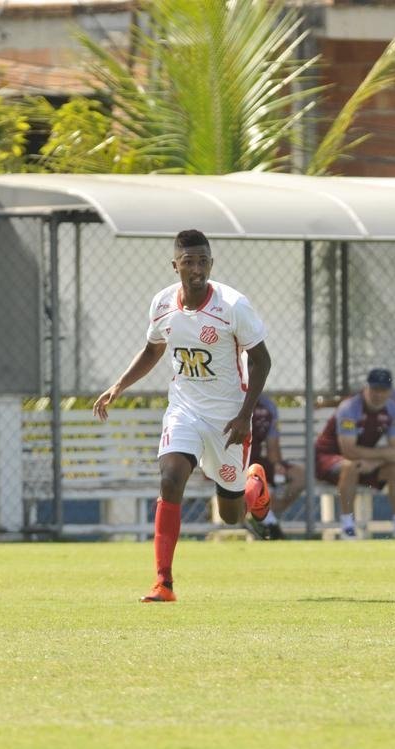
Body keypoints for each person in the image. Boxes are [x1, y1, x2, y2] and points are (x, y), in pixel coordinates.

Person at [93, 228, 272, 603]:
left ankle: (255, 484)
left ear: (211, 263)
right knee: (171, 477)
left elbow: (261, 360)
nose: (196, 268)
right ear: (175, 265)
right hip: (184, 411)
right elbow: (152, 349)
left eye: (202, 261)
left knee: (232, 516)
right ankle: (164, 582)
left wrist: (244, 416)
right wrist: (119, 386)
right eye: (188, 261)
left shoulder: (233, 306)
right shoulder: (162, 304)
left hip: (228, 421)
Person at [315, 368, 395, 540]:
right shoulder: (350, 408)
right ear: (367, 388)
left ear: (390, 391)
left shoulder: (392, 409)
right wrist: (378, 457)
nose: (378, 395)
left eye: (383, 390)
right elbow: (348, 450)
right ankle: (347, 526)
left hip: (364, 462)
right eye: (374, 389)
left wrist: (373, 463)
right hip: (327, 459)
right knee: (351, 466)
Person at [246, 393, 305, 540]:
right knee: (254, 479)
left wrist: (277, 464)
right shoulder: (227, 399)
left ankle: (262, 516)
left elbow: (272, 446)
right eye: (248, 369)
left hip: (254, 460)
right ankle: (267, 523)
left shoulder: (267, 406)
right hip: (228, 461)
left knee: (300, 476)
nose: (252, 374)